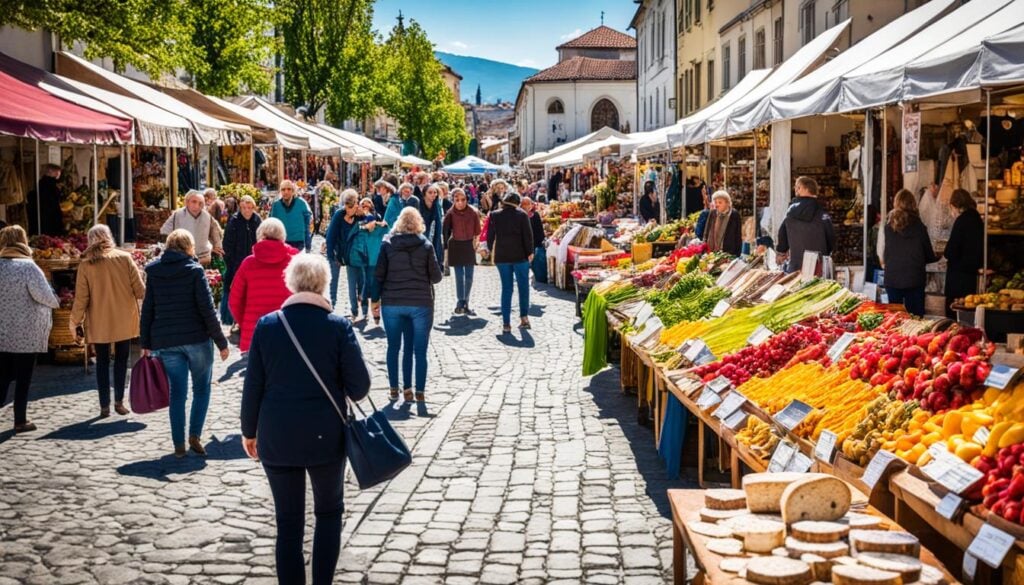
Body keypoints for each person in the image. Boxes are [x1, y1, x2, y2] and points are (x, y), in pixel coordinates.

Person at [241, 253, 370, 585]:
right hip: (325, 437)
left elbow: (253, 383)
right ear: (324, 284)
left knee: (288, 522)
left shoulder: (268, 325)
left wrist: (248, 431)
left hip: (277, 434)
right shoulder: (338, 327)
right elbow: (360, 388)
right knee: (328, 513)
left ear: (292, 283)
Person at [141, 229, 230, 457]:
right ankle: (195, 435)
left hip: (167, 341)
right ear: (189, 248)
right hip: (196, 339)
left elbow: (148, 309)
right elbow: (207, 309)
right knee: (201, 389)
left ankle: (178, 444)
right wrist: (221, 342)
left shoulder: (154, 272)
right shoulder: (194, 271)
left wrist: (145, 342)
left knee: (177, 394)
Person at [70, 224, 146, 418]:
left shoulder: (86, 264)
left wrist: (74, 322)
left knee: (102, 362)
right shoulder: (124, 258)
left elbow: (81, 299)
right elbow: (140, 291)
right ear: (109, 237)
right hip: (124, 319)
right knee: (122, 360)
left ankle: (104, 405)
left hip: (99, 320)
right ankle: (119, 402)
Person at [375, 207, 443, 403]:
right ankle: (417, 391)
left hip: (393, 303)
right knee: (418, 350)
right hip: (420, 303)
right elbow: (436, 277)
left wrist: (374, 300)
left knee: (393, 347)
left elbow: (379, 275)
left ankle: (394, 388)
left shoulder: (387, 244)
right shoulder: (426, 245)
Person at [0, 225, 58, 433]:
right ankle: (20, 420)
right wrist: (55, 300)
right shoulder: (28, 267)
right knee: (23, 377)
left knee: (3, 375)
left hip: (2, 332)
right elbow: (45, 297)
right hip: (26, 332)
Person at [229, 219, 298, 353]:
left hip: (254, 330)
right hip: (286, 328)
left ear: (260, 236)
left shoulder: (248, 263)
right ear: (283, 237)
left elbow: (234, 300)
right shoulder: (293, 263)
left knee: (256, 372)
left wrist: (244, 322)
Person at [882, 189, 938, 316]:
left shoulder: (888, 227)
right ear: (913, 204)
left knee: (894, 320)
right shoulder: (919, 227)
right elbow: (929, 255)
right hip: (914, 279)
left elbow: (887, 252)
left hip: (892, 279)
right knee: (916, 319)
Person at [487, 192, 535, 333]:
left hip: (502, 257)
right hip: (520, 256)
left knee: (506, 289)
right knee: (523, 287)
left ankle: (506, 323)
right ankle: (524, 318)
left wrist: (490, 250)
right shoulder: (522, 215)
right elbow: (528, 236)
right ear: (517, 203)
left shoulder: (494, 215)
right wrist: (530, 252)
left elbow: (490, 237)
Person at [776, 176, 836, 274]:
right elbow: (831, 238)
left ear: (807, 189)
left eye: (798, 187)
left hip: (796, 265)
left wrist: (781, 252)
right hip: (818, 265)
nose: (795, 190)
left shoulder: (791, 211)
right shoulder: (822, 212)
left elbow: (782, 234)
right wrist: (827, 252)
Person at [221, 195, 262, 328]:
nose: (246, 211)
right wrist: (230, 262)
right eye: (244, 207)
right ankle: (232, 318)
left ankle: (248, 318)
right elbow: (227, 244)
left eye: (249, 207)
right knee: (234, 290)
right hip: (236, 263)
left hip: (253, 263)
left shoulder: (257, 220)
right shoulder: (233, 220)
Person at [944, 188, 984, 318]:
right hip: (972, 276)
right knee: (968, 312)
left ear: (955, 206)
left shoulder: (961, 221)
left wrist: (944, 253)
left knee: (955, 313)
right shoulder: (977, 219)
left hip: (958, 277)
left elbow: (950, 251)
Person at [325, 191, 364, 318]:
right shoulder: (339, 214)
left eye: (351, 207)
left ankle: (357, 307)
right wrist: (331, 255)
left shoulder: (360, 215)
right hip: (337, 251)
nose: (348, 210)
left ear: (356, 205)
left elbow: (373, 222)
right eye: (346, 207)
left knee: (357, 280)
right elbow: (331, 235)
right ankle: (332, 305)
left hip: (353, 254)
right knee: (333, 279)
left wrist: (365, 216)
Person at [442, 188, 481, 315]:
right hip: (456, 246)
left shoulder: (473, 212)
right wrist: (445, 248)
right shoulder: (450, 213)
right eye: (457, 200)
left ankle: (466, 301)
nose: (460, 203)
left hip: (469, 245)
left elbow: (477, 231)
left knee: (469, 276)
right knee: (459, 276)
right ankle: (460, 301)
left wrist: (476, 245)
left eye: (463, 200)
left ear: (466, 199)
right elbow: (445, 231)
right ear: (453, 200)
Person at [348, 198, 387, 324]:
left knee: (372, 286)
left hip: (374, 261)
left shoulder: (378, 224)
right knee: (363, 286)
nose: (365, 205)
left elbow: (386, 228)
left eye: (368, 203)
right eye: (363, 204)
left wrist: (377, 224)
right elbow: (352, 232)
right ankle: (363, 311)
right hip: (361, 259)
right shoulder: (358, 223)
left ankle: (375, 314)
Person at [160, 190, 224, 266]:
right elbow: (164, 232)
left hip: (203, 259)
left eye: (200, 203)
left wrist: (217, 247)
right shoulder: (177, 215)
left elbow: (216, 233)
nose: (197, 206)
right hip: (181, 259)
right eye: (194, 202)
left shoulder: (207, 216)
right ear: (187, 202)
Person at [270, 180, 312, 251]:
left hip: (298, 242)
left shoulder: (301, 203)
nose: (286, 192)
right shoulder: (276, 205)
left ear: (293, 191)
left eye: (289, 189)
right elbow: (271, 224)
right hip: (281, 241)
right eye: (283, 189)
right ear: (280, 192)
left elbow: (307, 223)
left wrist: (308, 242)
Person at [702, 191, 743, 256]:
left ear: (727, 203)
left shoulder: (734, 214)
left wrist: (737, 254)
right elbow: (706, 230)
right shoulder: (713, 213)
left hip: (728, 253)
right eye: (715, 202)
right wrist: (704, 246)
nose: (717, 205)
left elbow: (738, 236)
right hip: (711, 252)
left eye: (720, 202)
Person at [521, 197, 548, 284]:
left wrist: (541, 241)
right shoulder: (520, 214)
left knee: (534, 258)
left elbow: (539, 229)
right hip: (524, 242)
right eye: (526, 204)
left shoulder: (535, 214)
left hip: (535, 241)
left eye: (529, 204)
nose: (528, 206)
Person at [420, 184, 445, 268]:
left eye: (435, 192)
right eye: (430, 192)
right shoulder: (419, 204)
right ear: (424, 194)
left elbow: (439, 222)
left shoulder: (437, 205)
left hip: (434, 233)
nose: (433, 194)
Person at [36, 163, 65, 235]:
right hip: (50, 213)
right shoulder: (50, 183)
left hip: (46, 212)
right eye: (57, 172)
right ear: (51, 172)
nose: (58, 174)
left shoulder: (43, 182)